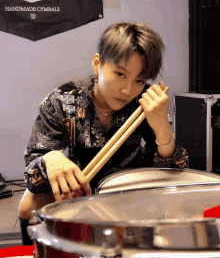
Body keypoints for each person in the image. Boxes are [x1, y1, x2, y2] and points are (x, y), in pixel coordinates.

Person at [18, 22, 188, 245]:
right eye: (120, 74)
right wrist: (50, 159)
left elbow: (174, 173)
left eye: (139, 80)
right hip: (76, 191)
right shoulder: (62, 99)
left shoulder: (146, 102)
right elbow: (32, 168)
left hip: (128, 192)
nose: (128, 90)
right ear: (98, 63)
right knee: (28, 205)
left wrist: (162, 129)